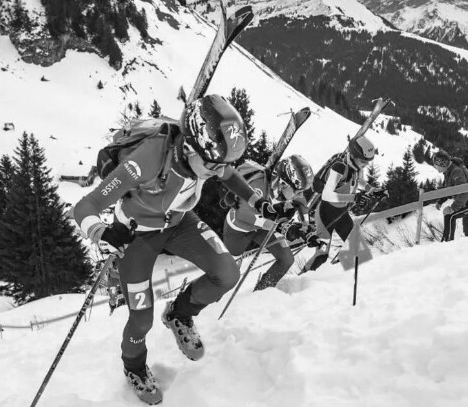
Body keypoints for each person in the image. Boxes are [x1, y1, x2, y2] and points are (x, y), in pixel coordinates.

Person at [73, 94, 282, 405]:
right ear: (189, 148)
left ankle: (179, 314)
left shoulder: (208, 156)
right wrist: (101, 232)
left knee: (227, 273)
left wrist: (256, 200)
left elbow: (228, 173)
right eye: (212, 165)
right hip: (137, 235)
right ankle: (134, 367)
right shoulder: (147, 159)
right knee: (141, 320)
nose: (218, 172)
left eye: (222, 164)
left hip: (180, 222)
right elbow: (85, 206)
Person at [223, 155, 318, 290]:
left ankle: (262, 291)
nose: (300, 194)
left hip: (264, 227)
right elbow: (244, 215)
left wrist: (306, 228)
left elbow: (301, 204)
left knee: (286, 259)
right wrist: (280, 227)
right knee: (228, 273)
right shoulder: (258, 186)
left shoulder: (287, 190)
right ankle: (214, 296)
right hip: (239, 228)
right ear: (283, 184)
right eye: (297, 191)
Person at [303, 136, 387, 272]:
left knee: (356, 250)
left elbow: (359, 180)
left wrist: (372, 190)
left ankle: (341, 278)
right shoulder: (339, 167)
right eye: (363, 161)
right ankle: (301, 280)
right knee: (322, 254)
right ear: (353, 156)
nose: (365, 164)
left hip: (341, 213)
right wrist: (354, 197)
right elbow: (326, 195)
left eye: (368, 162)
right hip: (325, 213)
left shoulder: (356, 166)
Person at [432, 151, 468, 242]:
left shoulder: (456, 171)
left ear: (442, 163)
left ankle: (447, 243)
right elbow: (450, 189)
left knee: (450, 215)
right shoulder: (449, 171)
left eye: (436, 164)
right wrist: (440, 201)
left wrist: (453, 208)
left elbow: (463, 192)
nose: (435, 167)